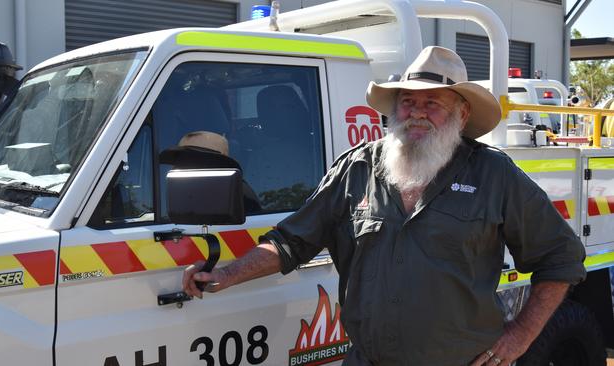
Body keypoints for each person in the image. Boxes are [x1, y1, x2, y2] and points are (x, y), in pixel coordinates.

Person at [182, 46, 586, 366]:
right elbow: (291, 243)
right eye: (408, 102)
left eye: (433, 104)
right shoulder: (358, 168)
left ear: (462, 115)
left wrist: (519, 338)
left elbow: (561, 259)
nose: (417, 114)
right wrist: (225, 275)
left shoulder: (494, 175)